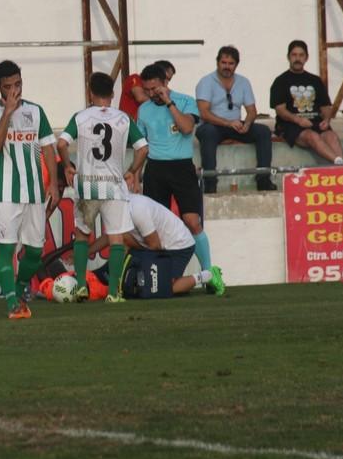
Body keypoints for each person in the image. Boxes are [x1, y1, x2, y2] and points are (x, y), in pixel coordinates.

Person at [57, 71, 148, 303]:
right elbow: (143, 148)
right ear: (113, 93)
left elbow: (61, 143)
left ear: (90, 92)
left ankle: (80, 287)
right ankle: (113, 293)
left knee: (82, 235)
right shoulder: (124, 118)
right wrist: (132, 171)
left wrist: (68, 166)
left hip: (88, 185)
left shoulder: (81, 117)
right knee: (116, 238)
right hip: (114, 186)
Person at [0, 60, 60, 320]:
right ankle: (13, 303)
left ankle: (20, 286)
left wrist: (55, 185)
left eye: (18, 84)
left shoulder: (36, 111)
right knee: (6, 249)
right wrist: (8, 112)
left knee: (35, 251)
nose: (14, 90)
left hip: (35, 191)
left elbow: (48, 147)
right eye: (8, 86)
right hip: (5, 193)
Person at [136, 64, 215, 273]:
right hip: (155, 169)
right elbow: (140, 146)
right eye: (147, 90)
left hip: (181, 167)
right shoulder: (143, 110)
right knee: (155, 226)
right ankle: (161, 274)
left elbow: (187, 128)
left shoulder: (185, 101)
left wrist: (169, 103)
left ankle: (208, 272)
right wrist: (135, 175)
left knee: (192, 220)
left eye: (155, 88)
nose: (151, 94)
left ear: (165, 83)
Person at [89, 193, 225, 296]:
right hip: (161, 246)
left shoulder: (137, 210)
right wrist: (88, 251)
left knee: (163, 288)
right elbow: (110, 236)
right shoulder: (119, 206)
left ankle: (209, 275)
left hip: (178, 246)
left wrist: (128, 242)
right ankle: (113, 280)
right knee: (122, 241)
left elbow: (155, 246)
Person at [195, 46, 276, 193]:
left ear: (236, 64)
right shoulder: (206, 81)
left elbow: (252, 111)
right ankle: (210, 183)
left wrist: (248, 123)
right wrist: (228, 123)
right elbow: (204, 113)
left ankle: (263, 179)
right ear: (217, 62)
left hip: (236, 125)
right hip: (213, 125)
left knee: (263, 131)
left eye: (231, 63)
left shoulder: (243, 82)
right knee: (207, 133)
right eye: (223, 62)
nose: (227, 66)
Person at [269, 40, 343, 165]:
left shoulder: (315, 80)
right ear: (288, 57)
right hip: (290, 125)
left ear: (306, 58)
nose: (297, 59)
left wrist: (327, 120)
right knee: (312, 136)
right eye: (294, 55)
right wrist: (298, 120)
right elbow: (280, 110)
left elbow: (326, 106)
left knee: (331, 136)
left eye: (301, 55)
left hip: (315, 122)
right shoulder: (280, 81)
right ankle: (340, 163)